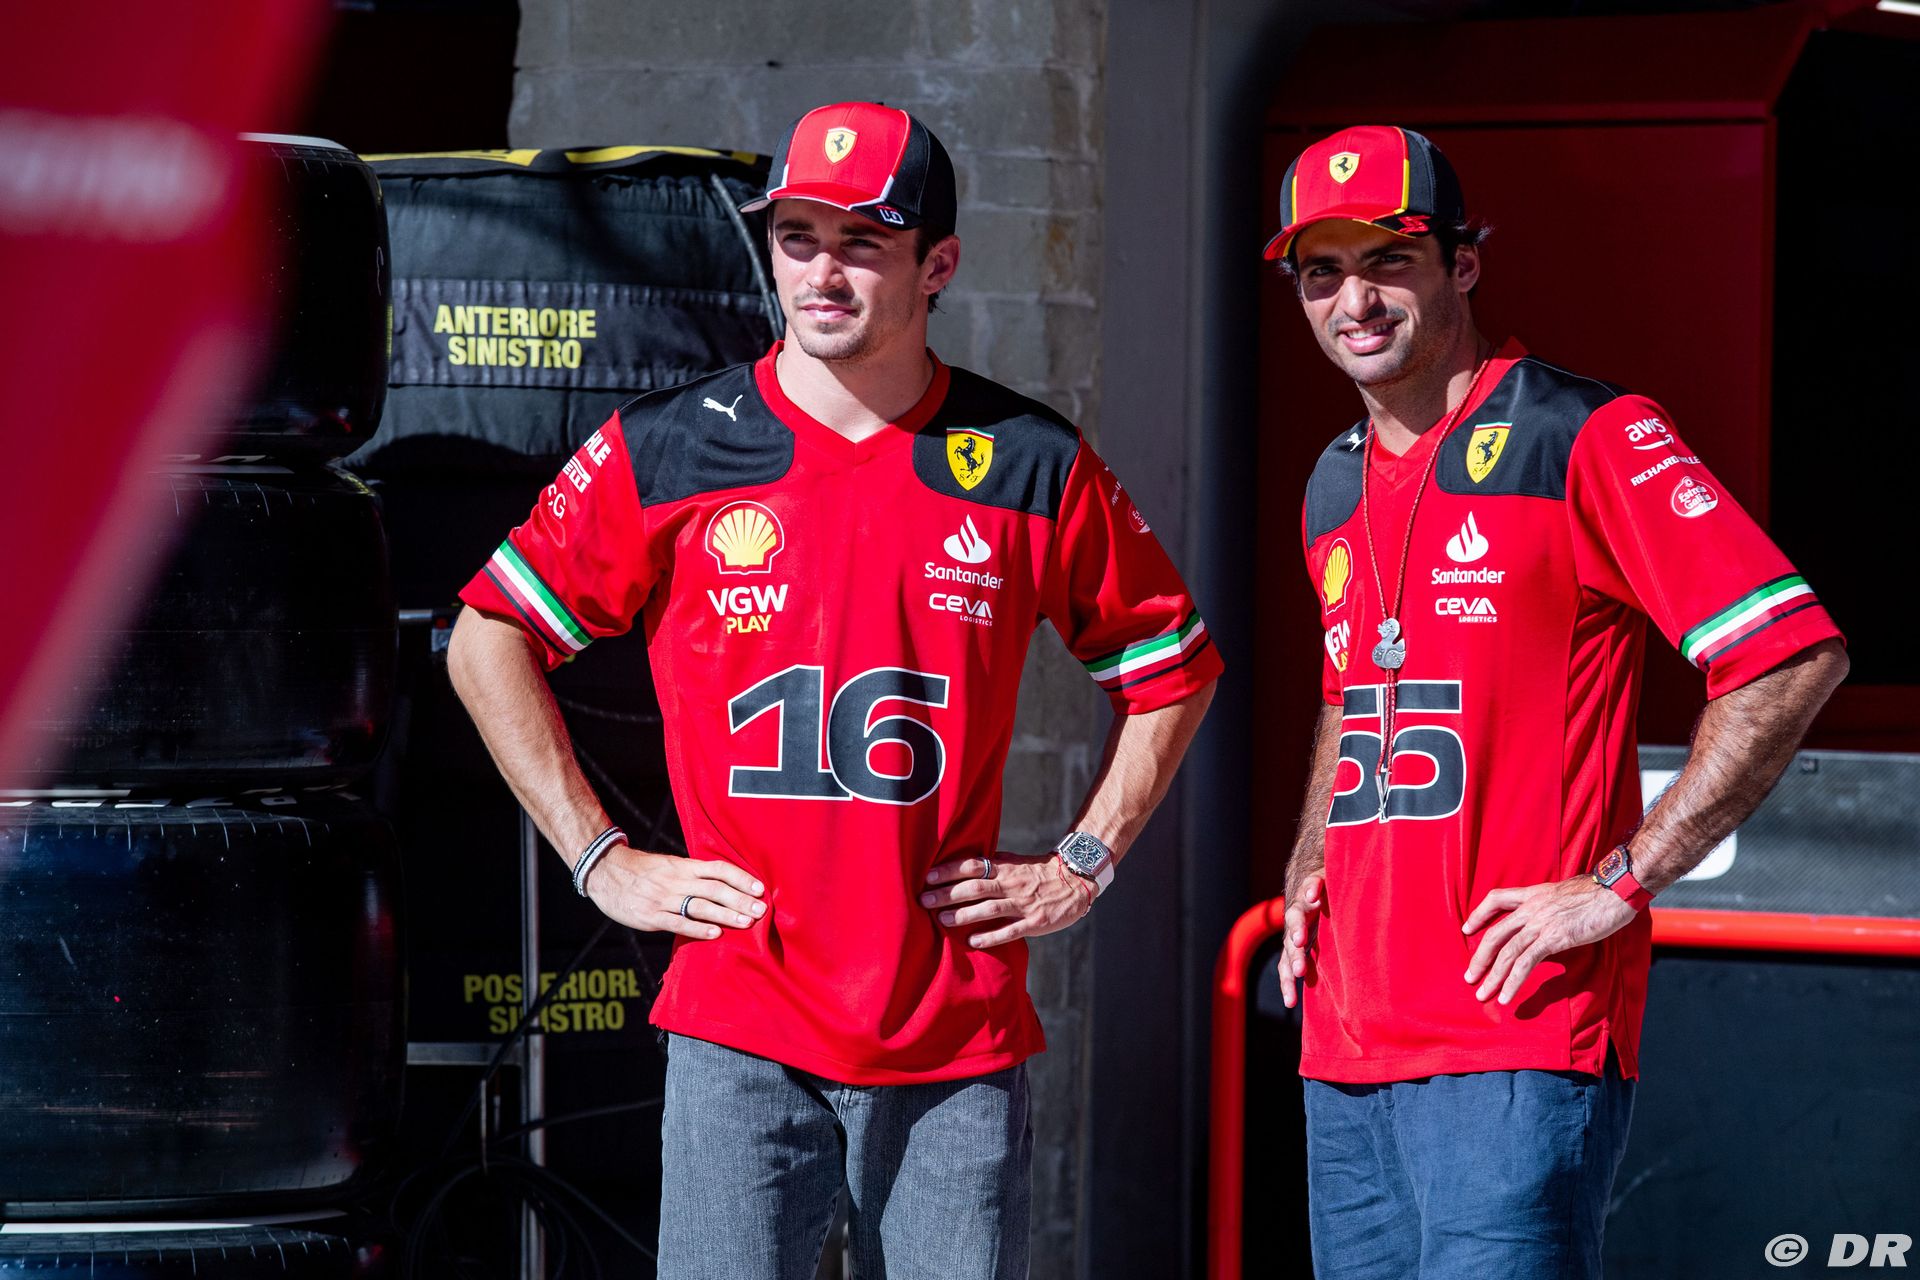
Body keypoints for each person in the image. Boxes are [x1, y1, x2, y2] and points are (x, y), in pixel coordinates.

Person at [447, 100, 1221, 1280]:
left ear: (938, 264)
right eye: (798, 236)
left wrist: (1083, 860)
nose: (821, 270)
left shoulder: (1027, 460)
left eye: (863, 241)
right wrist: (599, 855)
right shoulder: (671, 445)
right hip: (737, 1027)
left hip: (950, 1038)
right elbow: (487, 634)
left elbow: (1175, 667)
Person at [1264, 125, 1847, 1279]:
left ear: (1464, 264)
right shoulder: (1333, 477)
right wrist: (1310, 855)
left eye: (1388, 260)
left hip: (1517, 1036)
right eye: (1321, 272)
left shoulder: (1582, 432)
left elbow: (1787, 657)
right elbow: (1352, 684)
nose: (1354, 301)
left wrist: (1621, 882)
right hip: (1346, 1043)